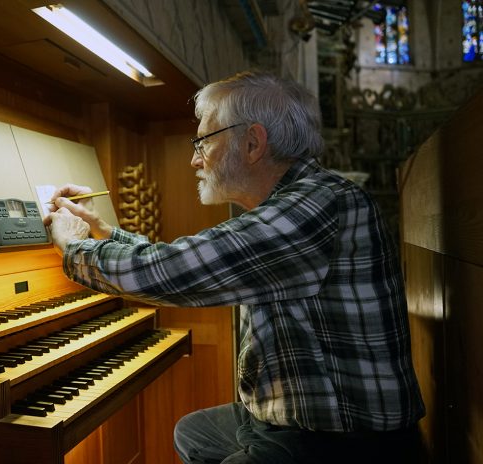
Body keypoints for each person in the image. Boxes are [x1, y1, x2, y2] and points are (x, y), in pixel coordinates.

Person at [43, 69, 425, 464]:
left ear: (253, 143)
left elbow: (178, 271)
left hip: (342, 441)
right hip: (292, 420)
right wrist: (104, 231)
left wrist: (73, 247)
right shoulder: (295, 202)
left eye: (203, 142)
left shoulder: (318, 205)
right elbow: (192, 260)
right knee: (193, 432)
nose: (194, 160)